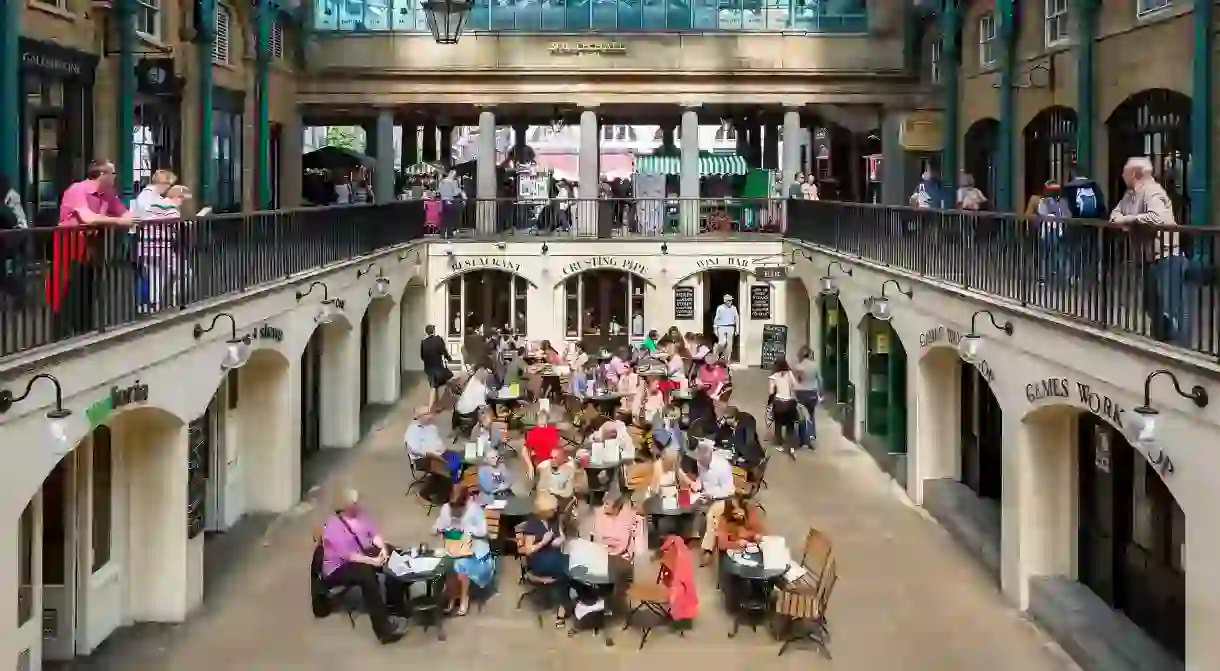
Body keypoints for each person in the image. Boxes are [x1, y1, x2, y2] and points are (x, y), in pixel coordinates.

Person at [50, 159, 134, 338]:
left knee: (87, 286)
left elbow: (126, 215)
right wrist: (117, 221)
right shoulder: (77, 189)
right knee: (65, 286)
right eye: (113, 173)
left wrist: (124, 218)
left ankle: (84, 330)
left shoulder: (108, 193)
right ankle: (61, 333)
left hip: (91, 243)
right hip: (70, 240)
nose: (115, 177)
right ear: (103, 175)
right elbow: (87, 217)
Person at [1109, 156, 1187, 346]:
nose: (1122, 175)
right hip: (1148, 257)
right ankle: (1162, 343)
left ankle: (1177, 348)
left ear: (1134, 174)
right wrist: (1129, 220)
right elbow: (1114, 216)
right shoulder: (1130, 194)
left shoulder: (1152, 191)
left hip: (1167, 257)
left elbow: (1159, 218)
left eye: (1125, 172)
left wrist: (1129, 220)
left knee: (1170, 308)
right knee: (1152, 306)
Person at [319, 488, 409, 643]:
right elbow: (349, 556)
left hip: (360, 553)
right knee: (367, 576)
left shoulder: (360, 515)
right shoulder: (333, 527)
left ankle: (395, 605)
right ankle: (383, 630)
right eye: (354, 503)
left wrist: (383, 550)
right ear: (344, 506)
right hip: (339, 567)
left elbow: (374, 534)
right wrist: (374, 562)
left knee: (394, 554)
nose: (357, 505)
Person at [432, 486, 495, 616]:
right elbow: (436, 526)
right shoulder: (446, 509)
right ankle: (452, 597)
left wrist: (468, 530)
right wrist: (439, 529)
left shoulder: (474, 510)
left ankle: (463, 598)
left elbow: (483, 531)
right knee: (446, 563)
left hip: (475, 549)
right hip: (454, 547)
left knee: (460, 565)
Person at [520, 493, 569, 627]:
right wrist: (543, 542)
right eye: (552, 510)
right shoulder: (532, 524)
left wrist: (559, 540)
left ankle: (562, 610)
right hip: (538, 560)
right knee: (567, 572)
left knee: (566, 572)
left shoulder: (554, 520)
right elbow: (528, 550)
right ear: (543, 511)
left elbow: (562, 536)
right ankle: (566, 608)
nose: (555, 512)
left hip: (554, 557)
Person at [692, 442, 737, 566]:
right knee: (689, 504)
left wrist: (712, 495)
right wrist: (697, 485)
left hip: (723, 498)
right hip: (706, 495)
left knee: (711, 515)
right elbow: (700, 478)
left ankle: (708, 550)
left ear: (710, 454)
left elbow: (729, 490)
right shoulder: (700, 462)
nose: (701, 464)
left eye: (703, 461)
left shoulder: (722, 466)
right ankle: (694, 534)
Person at [592, 493, 643, 585]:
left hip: (625, 561)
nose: (604, 502)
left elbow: (638, 544)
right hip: (603, 559)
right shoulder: (596, 514)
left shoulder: (632, 516)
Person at [792, 346, 821, 448]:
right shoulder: (815, 365)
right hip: (812, 393)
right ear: (810, 354)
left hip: (801, 393)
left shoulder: (798, 367)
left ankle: (803, 440)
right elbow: (819, 379)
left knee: (802, 416)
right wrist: (820, 393)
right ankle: (812, 436)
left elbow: (795, 381)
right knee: (811, 415)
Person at [769, 359, 799, 452]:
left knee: (778, 423)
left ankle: (779, 442)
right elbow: (795, 385)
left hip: (779, 403)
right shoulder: (790, 374)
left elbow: (770, 391)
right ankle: (791, 444)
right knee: (790, 424)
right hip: (789, 403)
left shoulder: (773, 377)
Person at [421, 325, 454, 406]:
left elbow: (422, 356)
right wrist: (449, 358)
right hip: (438, 366)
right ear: (434, 331)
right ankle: (447, 400)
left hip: (428, 367)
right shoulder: (438, 339)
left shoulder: (423, 342)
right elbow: (443, 351)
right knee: (447, 379)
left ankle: (435, 402)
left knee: (433, 384)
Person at [524, 410, 562, 477]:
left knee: (531, 452)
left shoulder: (533, 432)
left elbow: (524, 451)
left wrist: (530, 466)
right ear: (547, 421)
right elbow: (557, 450)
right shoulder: (553, 431)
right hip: (552, 463)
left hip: (540, 463)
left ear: (536, 421)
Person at [711, 294, 739, 363]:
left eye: (731, 301)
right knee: (722, 342)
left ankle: (727, 360)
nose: (730, 302)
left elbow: (737, 319)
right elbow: (716, 319)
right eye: (728, 301)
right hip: (721, 327)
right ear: (725, 301)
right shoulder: (720, 308)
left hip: (731, 326)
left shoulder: (734, 308)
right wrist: (715, 329)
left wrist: (737, 329)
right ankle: (716, 349)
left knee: (729, 345)